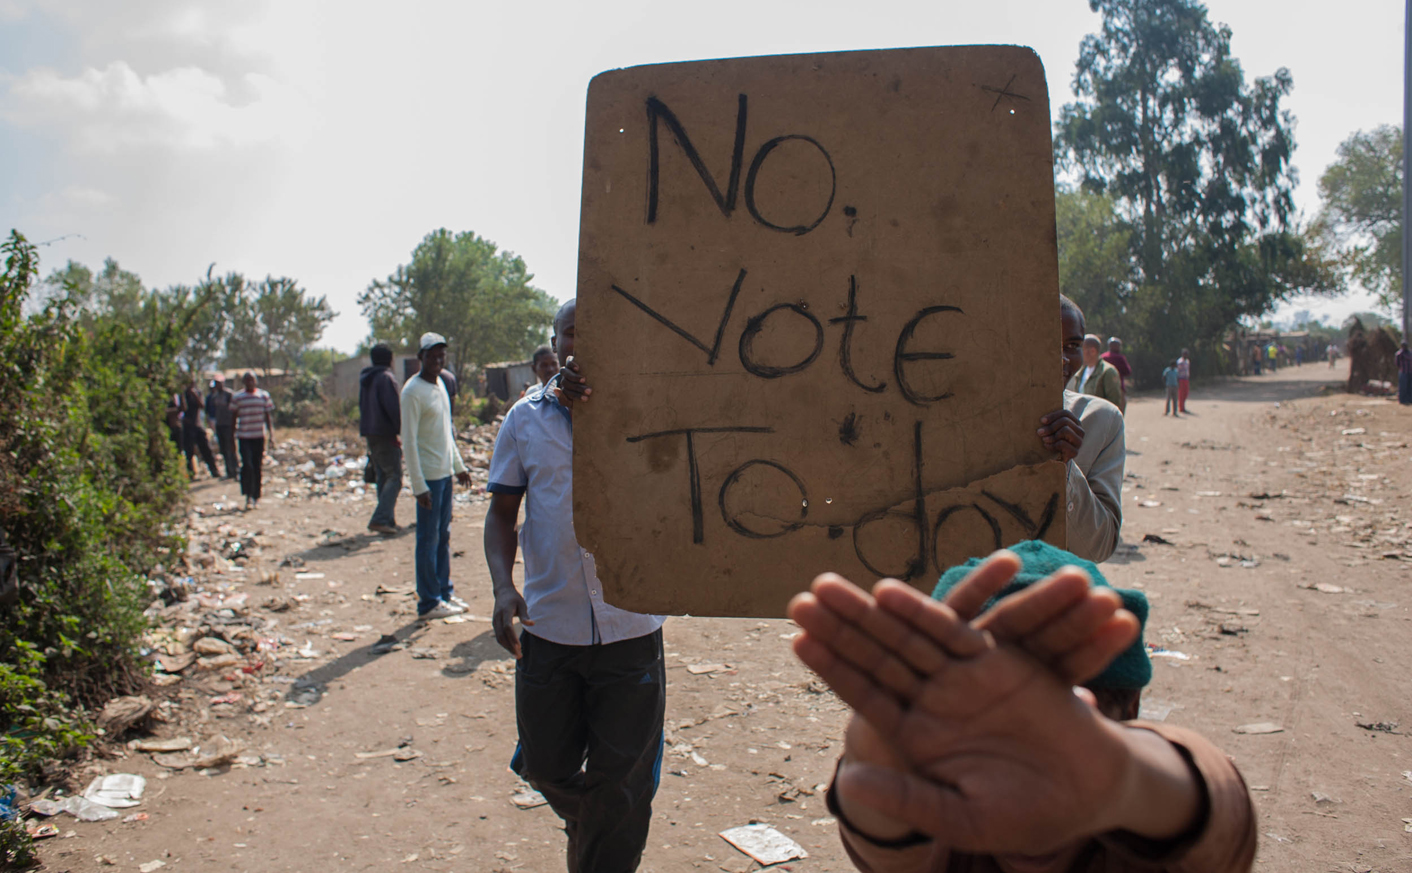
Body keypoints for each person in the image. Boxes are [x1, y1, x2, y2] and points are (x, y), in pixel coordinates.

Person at [788, 541, 1257, 873]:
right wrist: (881, 759)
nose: (1027, 812)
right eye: (982, 748)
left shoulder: (1150, 834)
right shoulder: (947, 832)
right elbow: (884, 845)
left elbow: (1220, 822)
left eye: (1061, 738)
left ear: (1128, 713)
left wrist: (1126, 778)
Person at [485, 299, 666, 873]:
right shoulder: (524, 420)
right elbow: (501, 514)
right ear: (555, 342)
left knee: (624, 783)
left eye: (595, 330)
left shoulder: (648, 410)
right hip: (550, 624)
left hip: (631, 626)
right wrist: (501, 588)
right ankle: (592, 823)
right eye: (569, 332)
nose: (580, 342)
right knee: (546, 767)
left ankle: (600, 844)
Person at [1035, 297, 1125, 562]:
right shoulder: (976, 418)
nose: (1062, 358)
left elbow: (1098, 549)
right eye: (1047, 343)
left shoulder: (1102, 421)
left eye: (1073, 346)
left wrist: (1066, 468)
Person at [402, 332, 471, 619]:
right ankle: (428, 602)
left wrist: (459, 466)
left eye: (441, 355)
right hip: (428, 479)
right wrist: (419, 485)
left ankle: (444, 592)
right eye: (431, 356)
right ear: (421, 358)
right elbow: (409, 441)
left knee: (443, 537)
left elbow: (446, 433)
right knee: (428, 540)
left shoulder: (441, 383)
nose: (437, 360)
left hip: (444, 475)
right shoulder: (411, 392)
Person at [360, 344, 404, 534]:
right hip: (385, 433)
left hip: (370, 433)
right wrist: (399, 431)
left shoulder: (367, 379)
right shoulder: (386, 378)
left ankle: (387, 520)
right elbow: (394, 409)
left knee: (383, 476)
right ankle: (380, 518)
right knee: (395, 477)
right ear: (390, 359)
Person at [231, 372, 275, 510]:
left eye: (252, 380)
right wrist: (232, 435)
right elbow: (233, 417)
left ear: (256, 381)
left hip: (258, 436)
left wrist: (271, 434)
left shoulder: (263, 396)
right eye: (247, 380)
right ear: (244, 382)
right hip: (244, 437)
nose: (250, 382)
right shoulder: (238, 397)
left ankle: (256, 496)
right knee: (247, 465)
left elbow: (267, 416)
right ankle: (248, 494)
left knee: (257, 466)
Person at [1067, 335, 1124, 413]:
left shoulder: (1108, 372)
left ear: (1092, 351)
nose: (1078, 353)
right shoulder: (1081, 372)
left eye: (1081, 349)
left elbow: (1114, 404)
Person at [181, 377, 221, 479]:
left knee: (206, 449)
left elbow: (202, 405)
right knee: (189, 451)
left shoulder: (198, 392)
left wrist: (194, 395)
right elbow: (182, 408)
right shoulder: (183, 394)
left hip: (198, 425)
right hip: (187, 426)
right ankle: (191, 474)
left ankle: (214, 470)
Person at [205, 377, 238, 480]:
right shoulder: (214, 396)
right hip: (219, 425)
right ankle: (229, 471)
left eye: (219, 383)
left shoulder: (229, 394)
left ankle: (236, 470)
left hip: (229, 425)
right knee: (223, 448)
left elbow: (234, 410)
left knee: (231, 448)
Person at [1100, 338, 1132, 408]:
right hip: (1118, 388)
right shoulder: (1120, 358)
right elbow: (1128, 372)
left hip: (1102, 389)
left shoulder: (1102, 357)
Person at [1397, 341, 1412, 406]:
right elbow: (1397, 363)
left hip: (1410, 372)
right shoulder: (1399, 354)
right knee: (1403, 386)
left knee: (1410, 386)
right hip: (1403, 372)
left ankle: (1409, 399)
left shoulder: (1410, 353)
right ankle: (1402, 400)